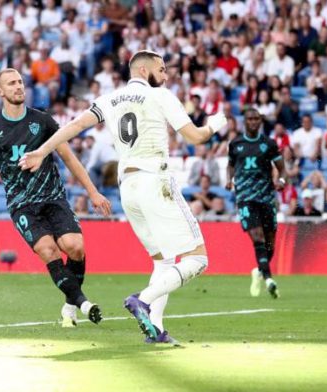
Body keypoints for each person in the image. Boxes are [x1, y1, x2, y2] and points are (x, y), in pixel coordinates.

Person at [18, 50, 227, 344]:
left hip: (127, 187)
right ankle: (143, 299)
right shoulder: (161, 95)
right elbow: (195, 137)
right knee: (199, 258)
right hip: (156, 179)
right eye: (162, 69)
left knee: (164, 260)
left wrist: (41, 150)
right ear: (143, 70)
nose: (165, 76)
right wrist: (215, 125)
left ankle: (154, 328)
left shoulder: (110, 99)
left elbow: (75, 126)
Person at [0, 68, 111, 328]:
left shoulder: (42, 121)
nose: (19, 86)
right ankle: (84, 303)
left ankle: (69, 306)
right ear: (0, 92)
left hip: (53, 197)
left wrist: (93, 192)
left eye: (20, 82)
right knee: (48, 250)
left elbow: (68, 156)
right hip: (21, 205)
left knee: (75, 247)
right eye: (11, 83)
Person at [226, 108, 286, 299]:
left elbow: (281, 168)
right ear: (245, 121)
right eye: (249, 119)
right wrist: (229, 179)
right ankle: (269, 279)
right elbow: (231, 164)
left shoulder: (268, 144)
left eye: (256, 119)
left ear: (260, 122)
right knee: (257, 236)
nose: (253, 122)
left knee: (270, 245)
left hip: (266, 196)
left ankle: (258, 271)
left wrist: (281, 181)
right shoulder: (235, 144)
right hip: (245, 197)